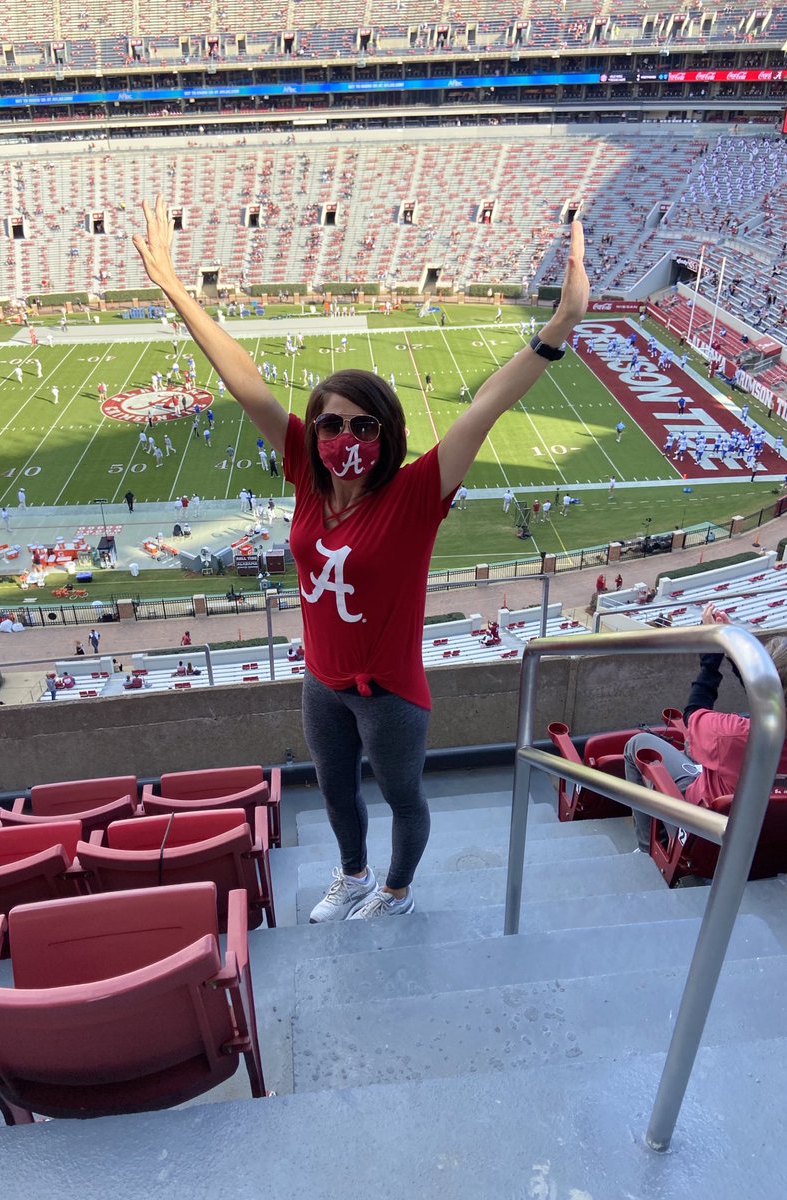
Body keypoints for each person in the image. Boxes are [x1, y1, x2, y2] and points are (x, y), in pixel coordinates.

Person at [133, 196, 588, 922]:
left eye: (363, 425)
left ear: (388, 432)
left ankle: (396, 891)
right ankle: (352, 874)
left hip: (391, 692)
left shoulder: (414, 495)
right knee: (334, 788)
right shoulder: (307, 476)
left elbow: (485, 407)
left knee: (403, 795)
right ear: (314, 433)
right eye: (331, 424)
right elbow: (246, 382)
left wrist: (557, 329)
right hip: (322, 679)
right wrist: (176, 290)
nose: (344, 437)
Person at [623, 603, 787, 855]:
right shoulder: (742, 733)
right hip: (770, 847)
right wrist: (734, 653)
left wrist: (711, 658)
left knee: (638, 744)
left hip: (705, 836)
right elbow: (769, 700)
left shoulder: (733, 735)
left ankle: (648, 852)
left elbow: (693, 713)